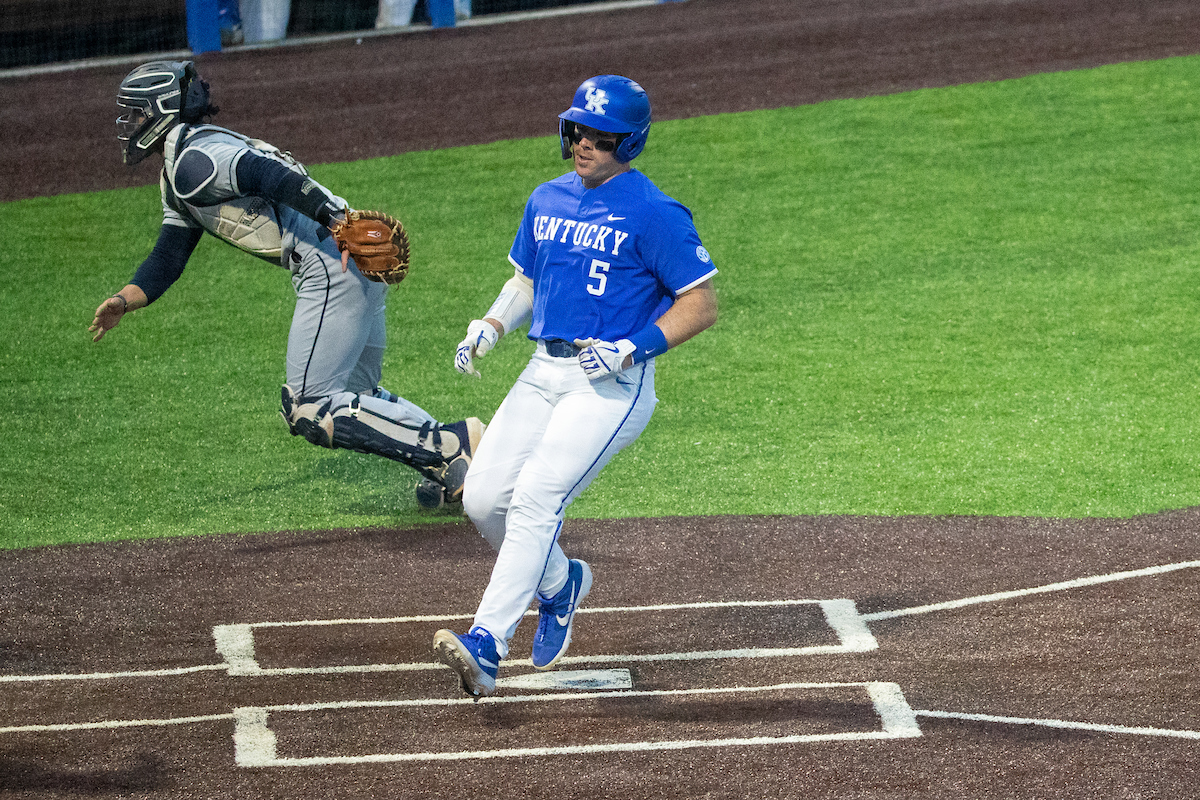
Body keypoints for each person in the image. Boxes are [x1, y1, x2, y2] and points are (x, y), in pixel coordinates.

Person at [433, 75, 718, 697]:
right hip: (542, 370)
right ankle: (560, 583)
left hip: (610, 388)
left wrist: (631, 347)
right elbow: (526, 282)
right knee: (483, 498)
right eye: (579, 131)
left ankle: (487, 641)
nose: (585, 144)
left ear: (630, 142)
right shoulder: (546, 199)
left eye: (602, 136)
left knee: (534, 499)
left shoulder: (655, 213)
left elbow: (700, 304)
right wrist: (489, 324)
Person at [90, 60, 483, 510]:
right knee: (355, 395)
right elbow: (170, 253)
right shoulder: (183, 165)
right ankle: (455, 460)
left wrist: (333, 220)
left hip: (329, 262)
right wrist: (126, 299)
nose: (130, 124)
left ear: (161, 110)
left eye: (136, 113)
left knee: (308, 405)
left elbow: (266, 173)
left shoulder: (194, 161)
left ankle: (448, 446)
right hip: (349, 262)